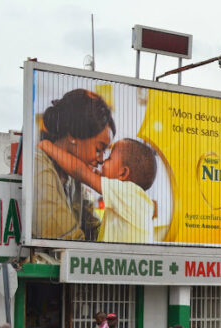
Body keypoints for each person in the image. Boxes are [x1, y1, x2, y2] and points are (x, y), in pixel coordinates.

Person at [38, 138, 157, 243]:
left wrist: (49, 147)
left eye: (109, 158)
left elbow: (80, 172)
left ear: (123, 173)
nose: (103, 162)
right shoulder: (135, 200)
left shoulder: (128, 192)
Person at [34, 89, 115, 240]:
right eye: (99, 149)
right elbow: (68, 239)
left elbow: (93, 229)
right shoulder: (39, 167)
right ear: (73, 135)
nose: (101, 159)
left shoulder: (72, 178)